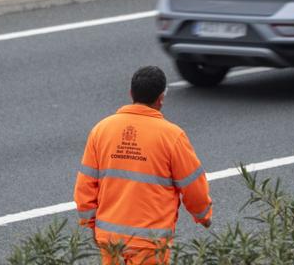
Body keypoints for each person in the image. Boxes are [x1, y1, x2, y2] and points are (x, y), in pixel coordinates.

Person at [74, 66, 213, 265]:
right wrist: (203, 216)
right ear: (161, 98)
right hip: (149, 241)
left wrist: (91, 225)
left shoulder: (102, 130)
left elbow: (85, 185)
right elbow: (192, 185)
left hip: (110, 239)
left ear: (131, 93)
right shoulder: (172, 136)